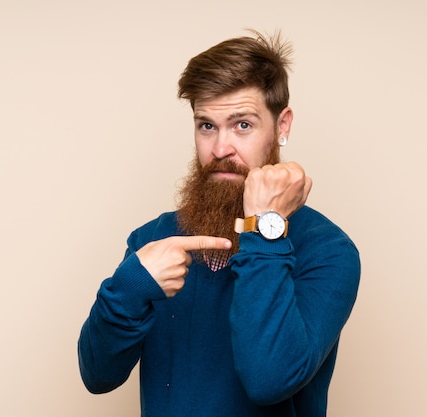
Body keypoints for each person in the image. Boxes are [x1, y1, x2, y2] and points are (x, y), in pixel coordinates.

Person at [78, 30, 361, 417]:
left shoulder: (329, 251)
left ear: (282, 125)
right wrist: (131, 286)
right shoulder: (153, 240)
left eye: (242, 125)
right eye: (206, 125)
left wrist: (264, 226)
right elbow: (98, 376)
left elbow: (269, 379)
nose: (219, 149)